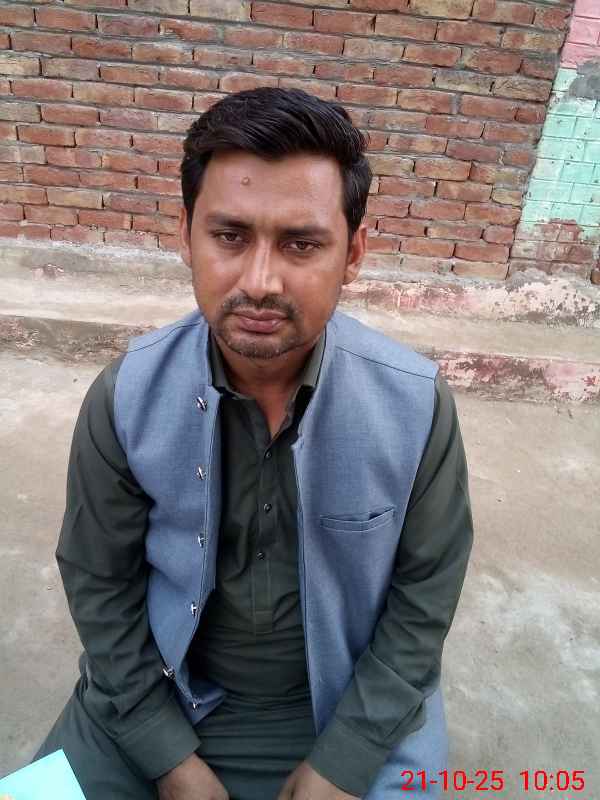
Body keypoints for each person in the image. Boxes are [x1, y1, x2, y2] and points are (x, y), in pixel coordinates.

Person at [33, 87, 474, 800]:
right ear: (187, 234)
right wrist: (165, 754)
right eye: (230, 236)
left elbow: (423, 599)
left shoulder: (415, 406)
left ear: (354, 252)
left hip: (349, 707)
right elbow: (98, 582)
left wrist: (346, 759)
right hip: (153, 695)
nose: (260, 282)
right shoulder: (127, 396)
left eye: (302, 244)